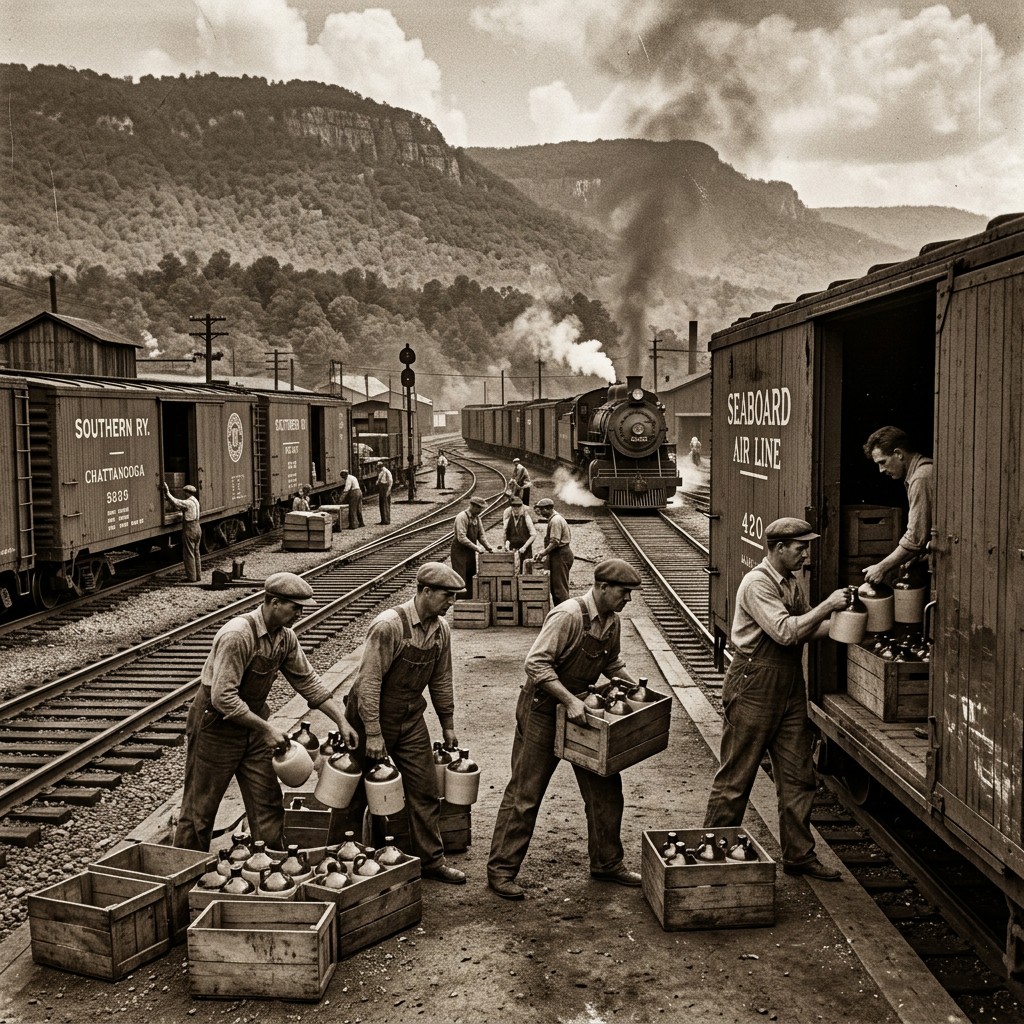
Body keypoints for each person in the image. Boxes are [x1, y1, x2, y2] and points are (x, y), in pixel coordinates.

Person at [487, 558, 645, 899]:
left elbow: (612, 662)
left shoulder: (612, 621)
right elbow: (535, 664)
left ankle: (606, 862)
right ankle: (501, 871)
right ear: (602, 588)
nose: (628, 600)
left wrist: (639, 693)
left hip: (582, 711)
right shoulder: (568, 616)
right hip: (543, 709)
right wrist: (568, 700)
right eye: (624, 592)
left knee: (605, 787)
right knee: (526, 793)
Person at [703, 518, 850, 881]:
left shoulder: (792, 582)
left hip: (787, 683)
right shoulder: (757, 583)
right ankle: (710, 856)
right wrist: (829, 605)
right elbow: (786, 632)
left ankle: (799, 855)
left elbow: (806, 628)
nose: (806, 553)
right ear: (779, 548)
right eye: (801, 547)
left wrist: (851, 624)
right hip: (754, 683)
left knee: (799, 775)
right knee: (736, 776)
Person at [174, 572, 358, 851]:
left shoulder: (284, 638)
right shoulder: (237, 635)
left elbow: (307, 680)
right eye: (295, 607)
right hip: (216, 726)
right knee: (200, 809)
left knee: (267, 804)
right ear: (273, 602)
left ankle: (270, 869)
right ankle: (184, 878)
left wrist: (341, 720)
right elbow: (223, 698)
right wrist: (266, 729)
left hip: (253, 726)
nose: (299, 613)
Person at [345, 562, 468, 884]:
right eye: (446, 595)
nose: (451, 602)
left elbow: (441, 679)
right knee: (356, 792)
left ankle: (431, 861)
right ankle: (347, 862)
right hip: (369, 716)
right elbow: (368, 683)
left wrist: (448, 724)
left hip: (411, 718)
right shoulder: (389, 626)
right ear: (425, 592)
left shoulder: (441, 630)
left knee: (424, 790)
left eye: (454, 596)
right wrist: (373, 732)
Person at [861, 426, 934, 584]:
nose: (881, 470)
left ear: (899, 454)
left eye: (883, 462)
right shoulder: (919, 474)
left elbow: (915, 538)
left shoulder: (921, 478)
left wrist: (881, 567)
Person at [450, 496, 493, 599]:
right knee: (461, 578)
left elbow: (481, 535)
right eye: (479, 508)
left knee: (471, 576)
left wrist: (489, 548)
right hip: (459, 552)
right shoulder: (462, 517)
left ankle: (470, 601)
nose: (481, 510)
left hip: (470, 551)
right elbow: (461, 538)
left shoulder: (477, 518)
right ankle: (460, 603)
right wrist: (477, 548)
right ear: (473, 506)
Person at [533, 498, 574, 606]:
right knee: (556, 587)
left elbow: (555, 541)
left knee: (560, 589)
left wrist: (543, 553)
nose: (540, 513)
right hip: (558, 554)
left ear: (548, 509)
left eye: (542, 510)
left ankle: (564, 613)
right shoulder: (554, 519)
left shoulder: (555, 520)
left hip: (561, 555)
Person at [163, 480, 202, 582]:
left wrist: (167, 492)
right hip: (198, 527)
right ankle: (198, 576)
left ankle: (191, 578)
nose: (184, 494)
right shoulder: (196, 501)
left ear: (187, 492)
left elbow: (176, 502)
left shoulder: (188, 503)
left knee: (189, 553)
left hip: (190, 529)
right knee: (196, 553)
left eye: (185, 492)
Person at [502, 496, 536, 569]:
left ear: (521, 506)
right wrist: (506, 544)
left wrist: (524, 547)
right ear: (511, 507)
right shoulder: (507, 513)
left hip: (525, 548)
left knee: (525, 569)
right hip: (513, 547)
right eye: (514, 506)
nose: (516, 508)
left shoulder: (526, 513)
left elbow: (533, 534)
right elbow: (505, 531)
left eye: (518, 506)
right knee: (511, 569)